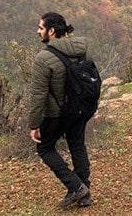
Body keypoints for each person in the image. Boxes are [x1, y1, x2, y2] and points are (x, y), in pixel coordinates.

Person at [29, 12, 93, 208]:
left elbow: (38, 95)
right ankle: (85, 193)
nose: (38, 31)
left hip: (58, 113)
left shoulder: (44, 58)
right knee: (77, 145)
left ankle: (76, 187)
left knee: (45, 148)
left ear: (51, 31)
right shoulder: (79, 50)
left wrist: (34, 124)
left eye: (41, 28)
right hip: (81, 108)